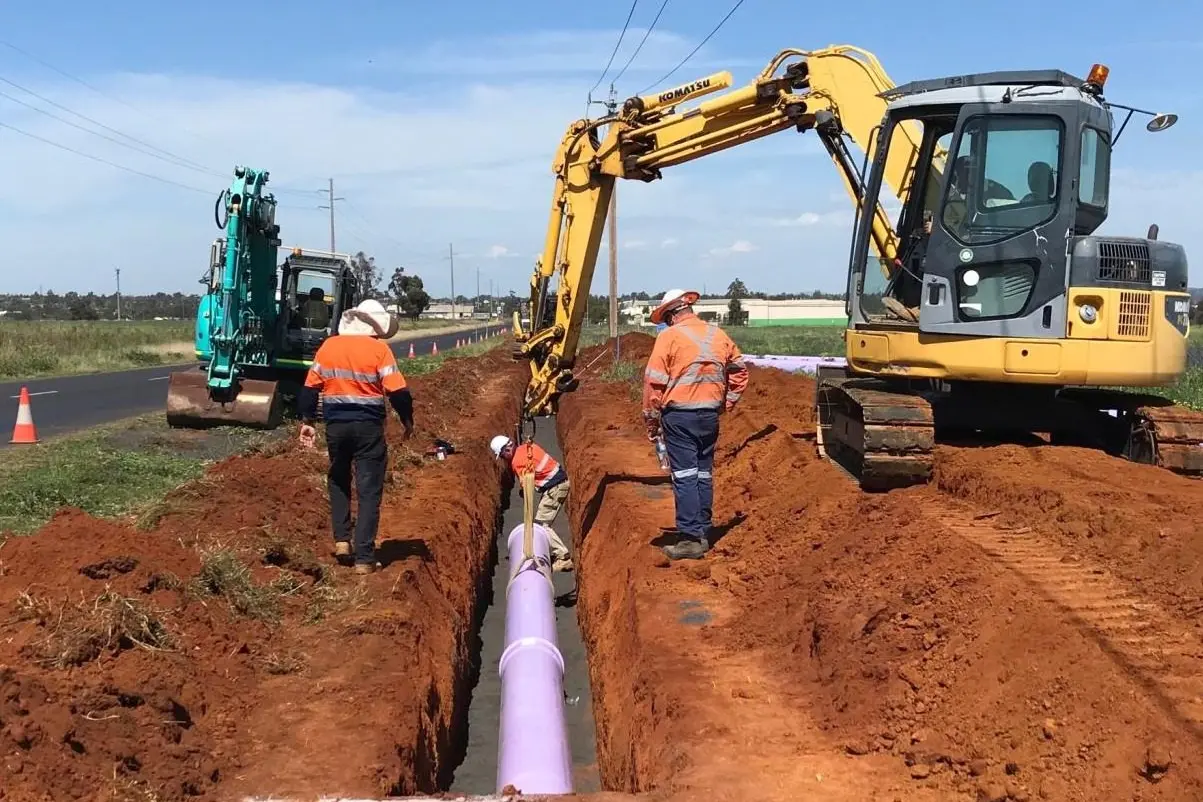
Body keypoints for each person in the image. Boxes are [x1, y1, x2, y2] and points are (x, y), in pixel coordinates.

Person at [297, 299, 412, 574]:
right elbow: (398, 392)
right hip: (368, 428)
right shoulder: (379, 350)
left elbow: (310, 388)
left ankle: (341, 540)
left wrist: (307, 421)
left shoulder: (329, 346)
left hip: (335, 427)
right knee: (369, 489)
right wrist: (407, 420)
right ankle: (364, 557)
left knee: (338, 479)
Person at [642, 288, 748, 561]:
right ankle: (703, 530)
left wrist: (651, 422)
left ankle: (689, 538)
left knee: (685, 475)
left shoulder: (669, 338)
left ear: (671, 315)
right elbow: (740, 372)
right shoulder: (718, 335)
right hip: (709, 417)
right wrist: (726, 404)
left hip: (680, 417)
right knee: (703, 473)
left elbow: (654, 383)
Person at [490, 435, 574, 572]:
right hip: (557, 482)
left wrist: (523, 491)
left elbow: (526, 486)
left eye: (503, 456)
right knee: (541, 522)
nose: (504, 459)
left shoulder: (517, 462)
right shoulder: (526, 448)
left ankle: (563, 557)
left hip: (555, 488)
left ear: (506, 450)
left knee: (541, 525)